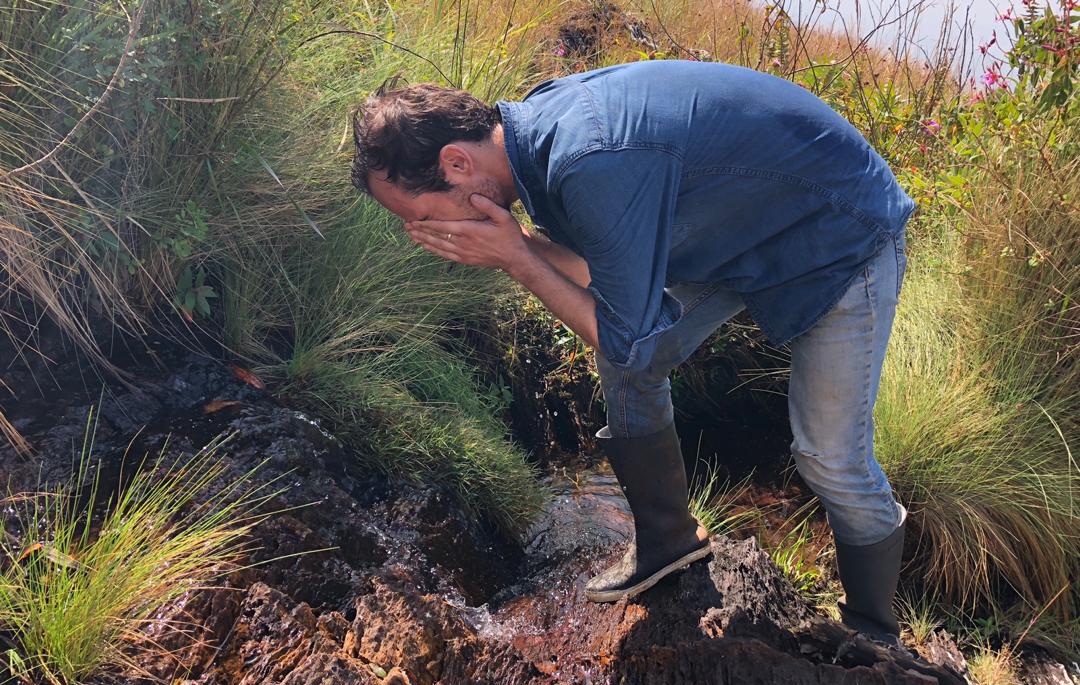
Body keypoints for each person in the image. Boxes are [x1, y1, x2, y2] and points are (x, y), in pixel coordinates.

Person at [350, 59, 914, 647]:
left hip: (841, 233)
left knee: (828, 454)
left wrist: (517, 259)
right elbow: (606, 278)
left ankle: (874, 634)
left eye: (418, 218)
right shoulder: (533, 147)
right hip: (739, 231)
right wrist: (518, 245)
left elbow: (631, 342)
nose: (424, 235)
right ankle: (669, 540)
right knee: (624, 350)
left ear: (457, 164)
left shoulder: (586, 159)